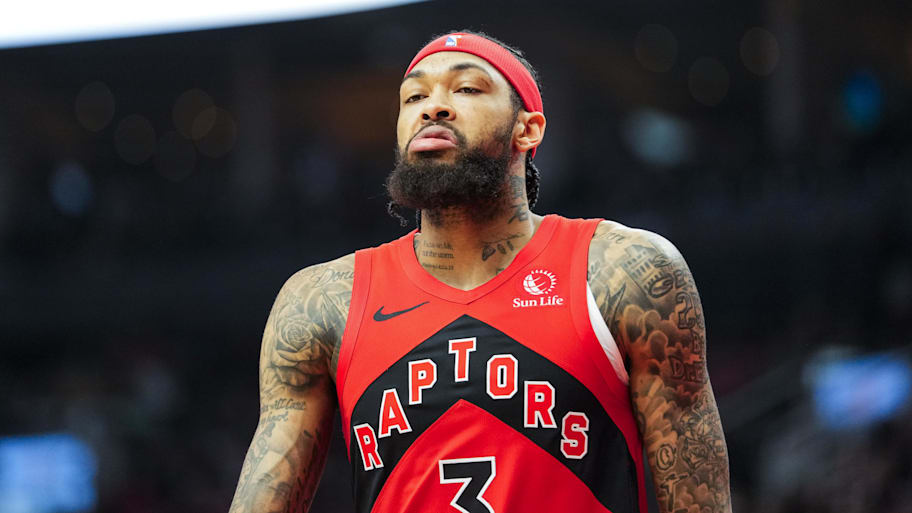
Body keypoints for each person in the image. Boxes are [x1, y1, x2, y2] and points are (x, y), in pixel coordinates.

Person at [229, 30, 732, 513]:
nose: (433, 106)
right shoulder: (322, 300)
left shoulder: (626, 270)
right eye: (413, 98)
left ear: (528, 129)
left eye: (467, 88)